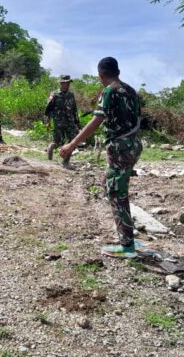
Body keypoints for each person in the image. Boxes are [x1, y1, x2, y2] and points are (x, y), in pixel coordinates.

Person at [60, 57, 142, 258]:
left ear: (100, 75)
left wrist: (71, 145)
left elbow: (97, 121)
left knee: (116, 192)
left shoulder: (109, 91)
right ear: (118, 71)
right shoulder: (131, 91)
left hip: (119, 147)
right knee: (111, 184)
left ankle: (127, 246)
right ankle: (126, 234)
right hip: (133, 145)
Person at [45, 74, 80, 167]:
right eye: (65, 83)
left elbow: (74, 110)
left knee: (73, 142)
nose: (67, 84)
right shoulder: (54, 95)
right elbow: (48, 110)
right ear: (61, 83)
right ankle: (51, 147)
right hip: (59, 122)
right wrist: (47, 122)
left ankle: (65, 162)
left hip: (70, 122)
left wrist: (78, 124)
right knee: (57, 142)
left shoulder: (71, 95)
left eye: (68, 83)